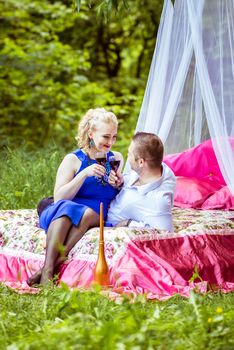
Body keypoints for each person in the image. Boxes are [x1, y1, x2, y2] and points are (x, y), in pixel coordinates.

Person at [27, 108, 123, 286]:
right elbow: (59, 197)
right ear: (91, 133)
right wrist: (83, 174)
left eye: (114, 137)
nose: (111, 142)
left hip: (97, 212)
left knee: (83, 213)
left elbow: (118, 191)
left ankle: (47, 268)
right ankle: (47, 274)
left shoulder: (115, 158)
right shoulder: (72, 159)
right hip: (66, 210)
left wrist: (118, 183)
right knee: (66, 209)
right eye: (106, 136)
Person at [107, 132, 176, 231]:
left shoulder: (158, 200)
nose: (127, 156)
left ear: (141, 162)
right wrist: (120, 183)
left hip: (107, 226)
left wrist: (129, 223)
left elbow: (166, 233)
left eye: (130, 154)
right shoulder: (158, 169)